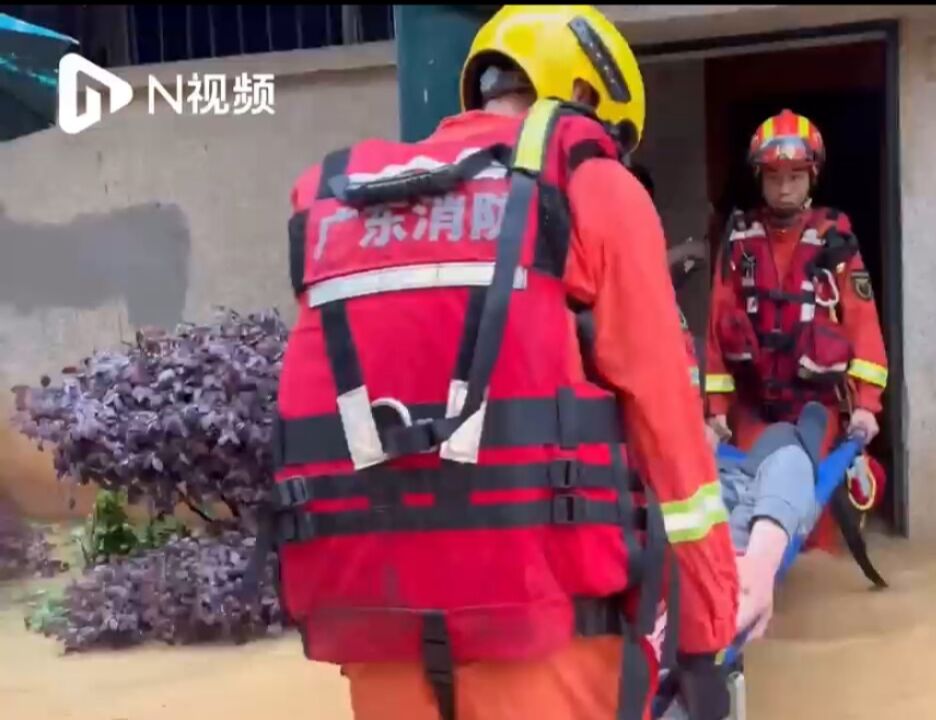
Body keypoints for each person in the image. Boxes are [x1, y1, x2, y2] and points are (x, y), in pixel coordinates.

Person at [271, 6, 738, 720]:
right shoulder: (594, 188)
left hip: (379, 637)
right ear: (587, 98)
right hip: (547, 641)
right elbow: (672, 443)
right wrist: (705, 638)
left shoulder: (350, 207)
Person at [703, 108, 889, 534]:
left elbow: (863, 323)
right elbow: (718, 331)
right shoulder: (738, 241)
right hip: (754, 408)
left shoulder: (833, 241)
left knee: (810, 520)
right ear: (760, 179)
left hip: (815, 408)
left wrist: (866, 406)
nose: (783, 188)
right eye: (773, 176)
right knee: (742, 501)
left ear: (812, 177)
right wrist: (716, 413)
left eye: (794, 176)